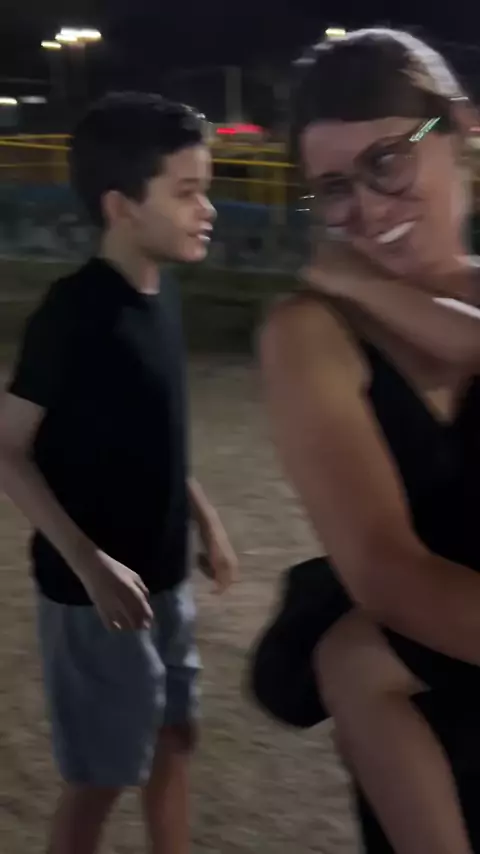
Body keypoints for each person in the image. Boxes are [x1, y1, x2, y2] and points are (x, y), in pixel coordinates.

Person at [250, 28, 480, 854]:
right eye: (334, 188)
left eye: (387, 161)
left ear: (460, 128)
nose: (371, 209)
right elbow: (387, 573)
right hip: (443, 748)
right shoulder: (311, 333)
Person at [0, 92, 238, 854]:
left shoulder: (162, 295)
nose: (208, 209)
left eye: (207, 189)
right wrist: (89, 562)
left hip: (164, 580)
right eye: (187, 191)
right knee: (100, 779)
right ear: (121, 206)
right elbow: (8, 448)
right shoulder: (72, 313)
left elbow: (152, 436)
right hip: (93, 597)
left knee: (176, 738)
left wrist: (204, 519)